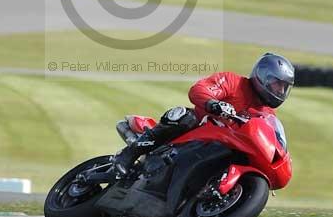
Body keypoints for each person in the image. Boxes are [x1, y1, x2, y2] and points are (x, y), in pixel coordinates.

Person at [114, 52, 295, 176]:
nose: (279, 91)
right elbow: (199, 89)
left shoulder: (267, 113)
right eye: (276, 84)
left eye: (283, 88)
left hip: (224, 146)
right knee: (185, 117)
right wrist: (213, 103)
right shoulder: (234, 82)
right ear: (263, 76)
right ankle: (129, 154)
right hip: (196, 130)